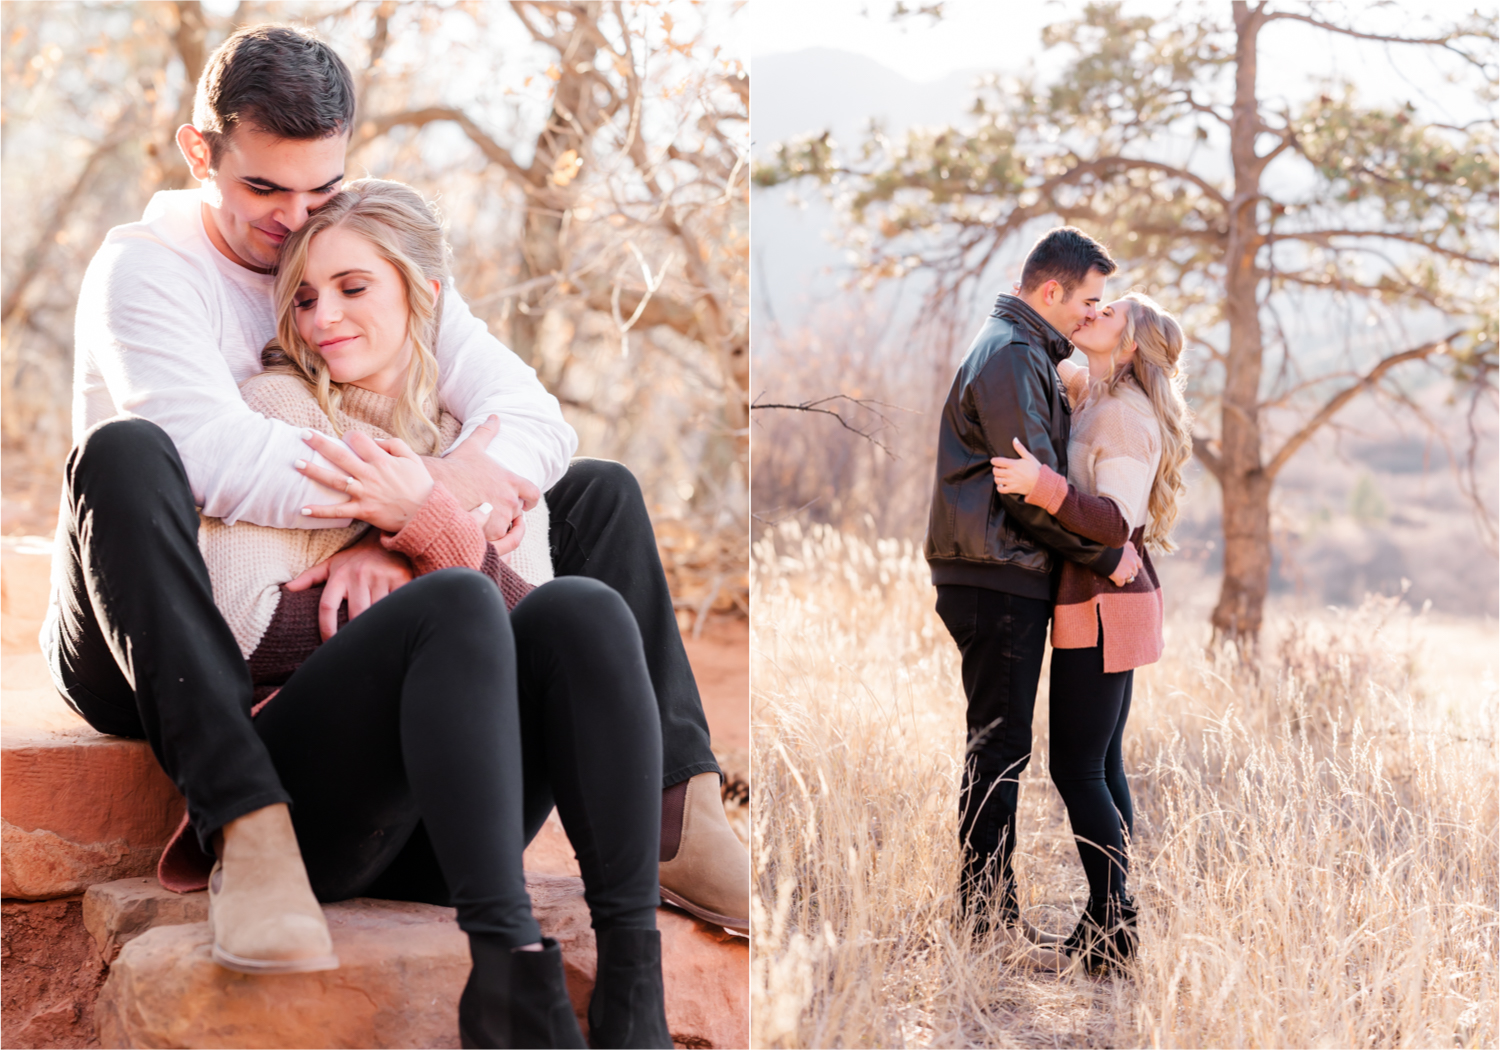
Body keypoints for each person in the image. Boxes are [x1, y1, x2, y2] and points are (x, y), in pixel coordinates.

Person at [46, 22, 747, 977]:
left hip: (335, 567)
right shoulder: (148, 268)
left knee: (600, 495)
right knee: (127, 456)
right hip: (143, 610)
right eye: (263, 188)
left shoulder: (361, 246)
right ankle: (245, 829)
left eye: (319, 190)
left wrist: (416, 520)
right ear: (199, 152)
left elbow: (532, 419)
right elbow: (211, 456)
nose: (295, 222)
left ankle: (679, 818)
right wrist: (399, 513)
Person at [149, 177, 669, 1046]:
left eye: (355, 289)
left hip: (451, 832)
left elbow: (528, 645)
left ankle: (632, 978)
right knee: (460, 599)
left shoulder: (477, 442)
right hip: (316, 811)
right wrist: (426, 555)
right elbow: (238, 636)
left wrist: (414, 526)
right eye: (305, 297)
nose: (323, 318)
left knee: (583, 611)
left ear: (424, 295)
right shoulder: (278, 411)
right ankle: (505, 971)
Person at [924, 226, 1141, 950]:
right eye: (1088, 299)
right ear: (1051, 291)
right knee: (999, 747)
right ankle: (983, 915)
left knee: (1002, 746)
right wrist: (1104, 555)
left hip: (999, 571)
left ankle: (992, 908)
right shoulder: (1013, 355)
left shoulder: (1024, 354)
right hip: (996, 573)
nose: (1090, 315)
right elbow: (1026, 495)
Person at [991, 291, 1191, 972]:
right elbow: (1068, 384)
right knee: (1101, 765)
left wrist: (1039, 484)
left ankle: (1117, 924)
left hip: (1106, 604)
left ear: (1130, 347)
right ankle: (1108, 920)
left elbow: (1112, 521)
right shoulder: (1099, 398)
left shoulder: (1125, 418)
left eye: (1109, 315)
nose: (1093, 315)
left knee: (1076, 767)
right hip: (1104, 599)